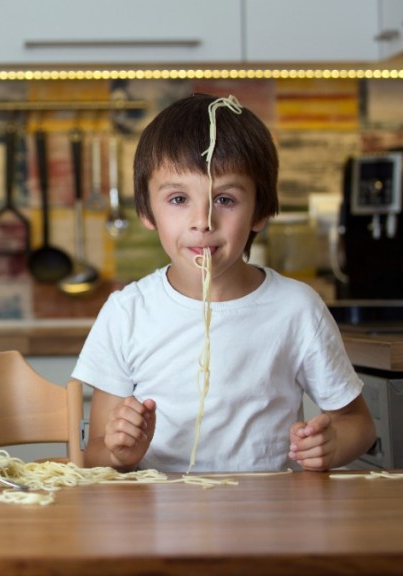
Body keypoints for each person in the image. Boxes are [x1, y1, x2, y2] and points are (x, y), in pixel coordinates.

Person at [75, 93, 375, 473]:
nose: (203, 221)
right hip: (159, 523)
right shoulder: (127, 312)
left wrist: (332, 444)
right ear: (147, 211)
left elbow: (359, 425)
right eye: (179, 198)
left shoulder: (297, 308)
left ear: (261, 212)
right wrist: (120, 453)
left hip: (267, 516)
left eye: (226, 199)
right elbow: (96, 452)